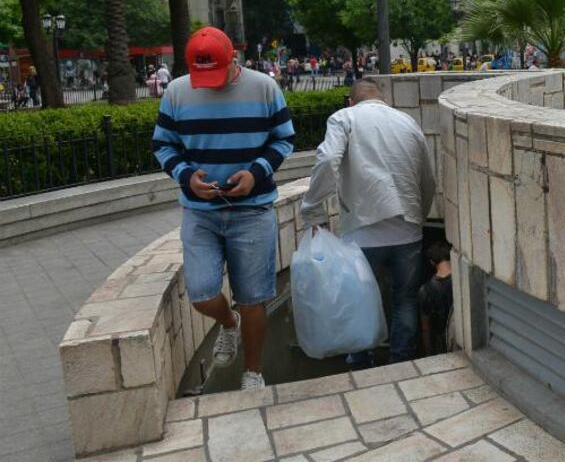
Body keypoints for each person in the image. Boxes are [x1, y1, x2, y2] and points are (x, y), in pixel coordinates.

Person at [152, 27, 295, 391]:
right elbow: (164, 146)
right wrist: (186, 177)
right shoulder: (177, 92)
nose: (209, 84)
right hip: (200, 212)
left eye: (216, 74)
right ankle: (227, 324)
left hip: (253, 210)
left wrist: (255, 173)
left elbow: (284, 138)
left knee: (254, 298)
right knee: (200, 292)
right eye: (202, 76)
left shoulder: (264, 87)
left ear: (233, 59)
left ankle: (253, 372)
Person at [301, 78, 435, 366]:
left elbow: (326, 161)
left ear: (351, 100)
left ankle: (361, 362)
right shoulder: (407, 122)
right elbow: (428, 178)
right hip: (407, 230)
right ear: (382, 99)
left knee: (358, 299)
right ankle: (401, 362)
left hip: (363, 232)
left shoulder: (344, 117)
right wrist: (418, 218)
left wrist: (313, 209)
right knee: (405, 299)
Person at [418, 240, 453, 357]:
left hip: (441, 343)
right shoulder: (461, 280)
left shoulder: (425, 290)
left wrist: (428, 353)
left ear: (432, 262)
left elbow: (425, 328)